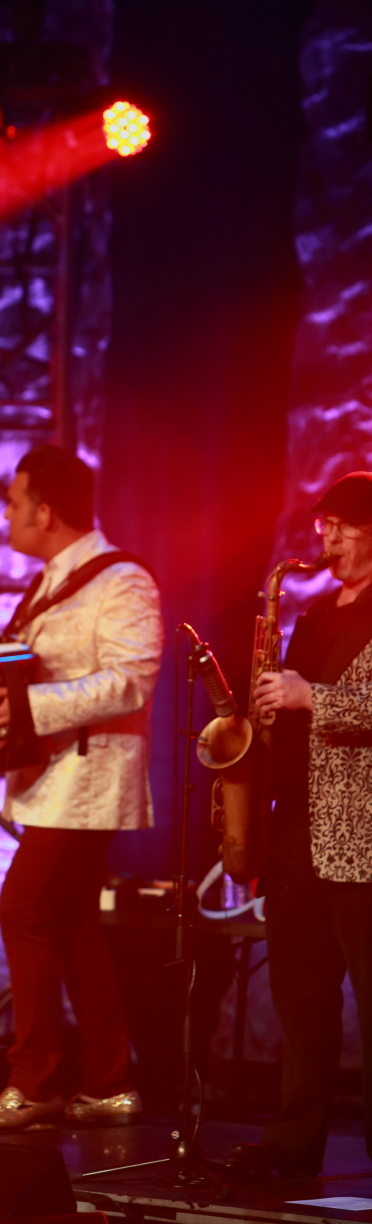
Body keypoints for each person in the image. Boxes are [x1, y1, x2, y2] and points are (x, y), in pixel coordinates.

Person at [0, 445, 163, 1131]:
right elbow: (44, 664)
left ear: (44, 512)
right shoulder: (52, 579)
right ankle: (109, 1083)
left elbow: (132, 680)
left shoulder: (122, 580)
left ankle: (35, 1079)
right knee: (73, 926)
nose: (5, 517)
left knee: (23, 909)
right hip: (54, 777)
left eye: (12, 504)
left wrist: (32, 705)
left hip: (90, 777)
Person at [229, 471, 372, 1181]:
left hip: (361, 836)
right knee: (300, 996)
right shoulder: (314, 613)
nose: (329, 541)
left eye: (342, 528)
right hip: (297, 832)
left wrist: (308, 696)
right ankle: (292, 1143)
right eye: (324, 527)